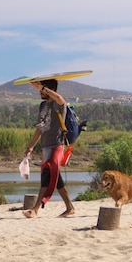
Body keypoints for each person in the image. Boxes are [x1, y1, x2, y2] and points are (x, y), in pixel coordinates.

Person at [22, 78, 76, 218]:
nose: (40, 93)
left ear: (49, 89)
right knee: (55, 178)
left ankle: (35, 209)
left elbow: (59, 97)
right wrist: (31, 146)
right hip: (46, 146)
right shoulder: (42, 106)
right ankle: (70, 207)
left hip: (57, 145)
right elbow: (40, 128)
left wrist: (41, 87)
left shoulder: (59, 105)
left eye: (43, 90)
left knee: (48, 176)